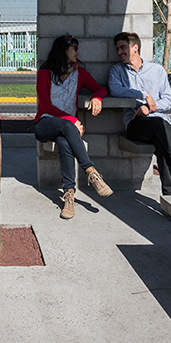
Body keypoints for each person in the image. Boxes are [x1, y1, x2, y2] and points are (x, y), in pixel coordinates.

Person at [107, 31, 171, 198]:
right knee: (160, 126)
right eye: (117, 49)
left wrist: (151, 109)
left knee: (162, 141)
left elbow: (168, 99)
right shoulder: (117, 71)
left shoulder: (157, 70)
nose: (119, 52)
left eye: (122, 47)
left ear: (135, 47)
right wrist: (144, 96)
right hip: (136, 124)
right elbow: (116, 90)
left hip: (158, 122)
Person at [34, 35, 112, 219]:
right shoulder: (44, 73)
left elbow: (101, 89)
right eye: (74, 48)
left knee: (65, 143)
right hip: (45, 123)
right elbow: (45, 106)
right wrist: (71, 119)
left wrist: (97, 98)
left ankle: (69, 196)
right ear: (64, 50)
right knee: (68, 127)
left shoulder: (80, 73)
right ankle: (91, 172)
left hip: (66, 128)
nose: (78, 52)